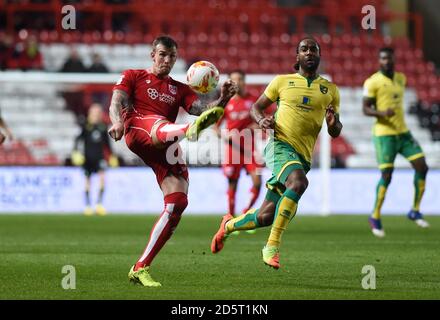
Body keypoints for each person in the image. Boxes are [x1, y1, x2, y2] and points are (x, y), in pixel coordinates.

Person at [108, 35, 237, 287]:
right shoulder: (133, 75)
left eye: (172, 56)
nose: (166, 60)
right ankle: (189, 130)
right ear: (152, 55)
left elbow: (201, 108)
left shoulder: (179, 89)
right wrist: (116, 121)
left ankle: (140, 267)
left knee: (178, 201)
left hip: (166, 142)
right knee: (160, 125)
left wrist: (222, 100)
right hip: (138, 127)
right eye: (162, 54)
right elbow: (116, 102)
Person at [211, 37, 343, 270]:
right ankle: (271, 246)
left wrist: (333, 123)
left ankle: (228, 226)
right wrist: (262, 120)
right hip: (279, 146)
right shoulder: (282, 82)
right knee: (299, 182)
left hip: (302, 157)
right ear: (297, 57)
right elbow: (256, 107)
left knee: (265, 216)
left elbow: (335, 131)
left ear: (319, 56)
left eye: (314, 49)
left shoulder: (330, 90)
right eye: (304, 49)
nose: (309, 52)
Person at [362, 47, 429, 237]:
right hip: (384, 135)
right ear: (379, 61)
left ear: (393, 59)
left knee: (422, 166)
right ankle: (375, 216)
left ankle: (414, 210)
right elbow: (365, 109)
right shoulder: (372, 81)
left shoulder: (401, 78)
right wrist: (382, 113)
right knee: (387, 175)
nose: (386, 61)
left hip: (403, 133)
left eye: (389, 58)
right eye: (383, 58)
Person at [214, 70, 262, 225]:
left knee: (258, 181)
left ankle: (245, 214)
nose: (237, 83)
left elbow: (267, 118)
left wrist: (258, 124)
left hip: (250, 150)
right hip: (232, 150)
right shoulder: (226, 103)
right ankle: (230, 217)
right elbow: (215, 127)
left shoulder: (254, 101)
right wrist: (223, 134)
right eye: (233, 80)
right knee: (232, 183)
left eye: (240, 79)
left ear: (244, 81)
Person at [72, 103, 117, 216]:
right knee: (88, 181)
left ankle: (99, 205)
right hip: (87, 158)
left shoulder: (102, 127)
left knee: (102, 178)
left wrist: (112, 155)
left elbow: (107, 144)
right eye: (94, 112)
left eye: (98, 112)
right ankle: (87, 206)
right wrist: (76, 152)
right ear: (90, 114)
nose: (96, 115)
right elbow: (78, 140)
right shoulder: (85, 126)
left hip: (99, 158)